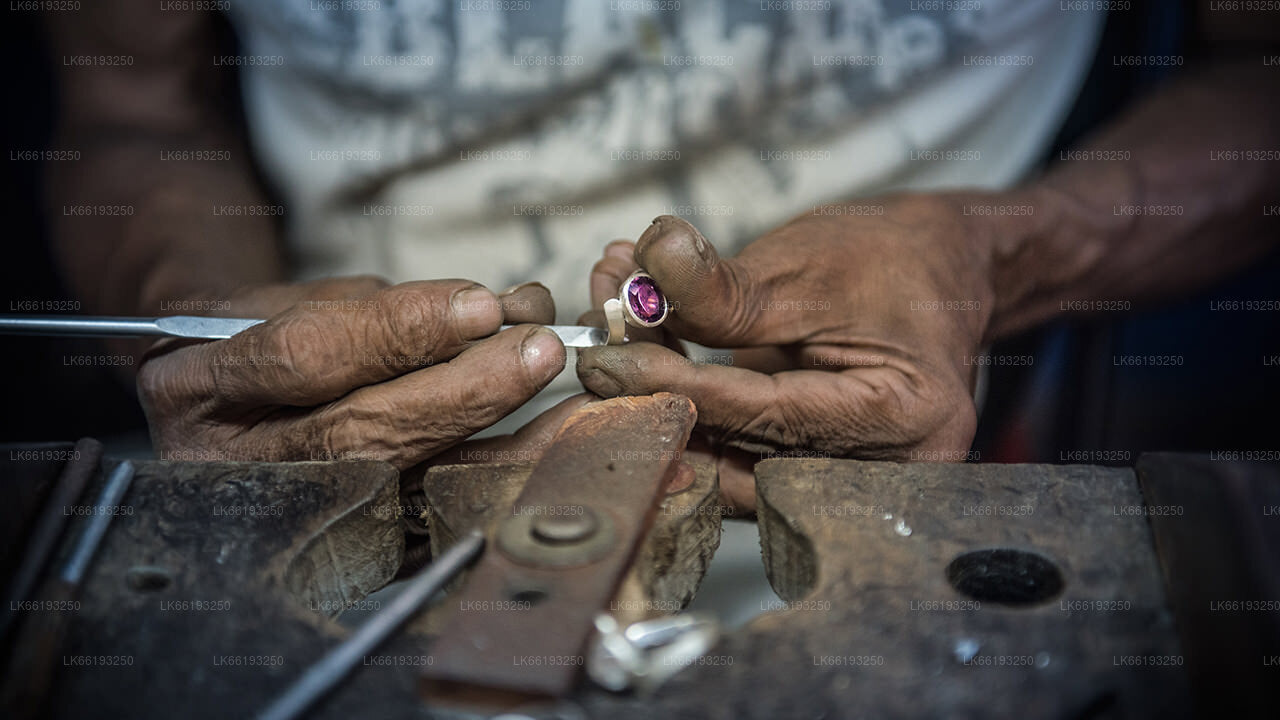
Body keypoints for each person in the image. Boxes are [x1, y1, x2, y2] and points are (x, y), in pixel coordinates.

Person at [45, 2, 1278, 512]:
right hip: (348, 486)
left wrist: (993, 258)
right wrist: (200, 329)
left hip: (883, 479)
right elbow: (130, 111)